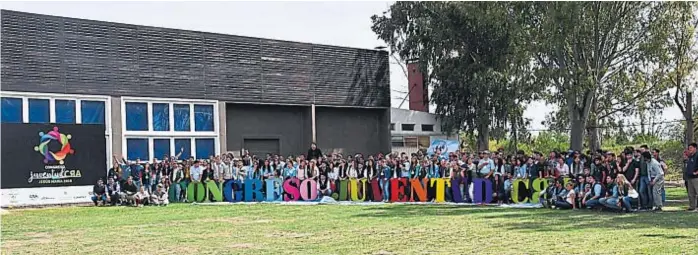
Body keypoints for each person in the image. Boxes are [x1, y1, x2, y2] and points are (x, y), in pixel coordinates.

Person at [684, 143, 698, 212]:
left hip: (696, 177)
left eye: (691, 148)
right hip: (689, 177)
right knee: (691, 193)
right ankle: (692, 206)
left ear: (695, 148)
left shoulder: (697, 155)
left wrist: (696, 172)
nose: (690, 150)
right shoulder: (690, 157)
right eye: (689, 148)